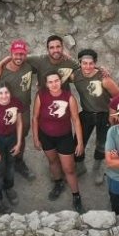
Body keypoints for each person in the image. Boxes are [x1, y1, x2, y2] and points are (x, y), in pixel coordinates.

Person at [0, 40, 37, 180]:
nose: (19, 57)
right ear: (11, 54)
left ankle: (18, 161)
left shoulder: (29, 65)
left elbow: (48, 57)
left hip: (23, 109)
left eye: (22, 54)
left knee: (21, 136)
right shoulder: (1, 72)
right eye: (16, 54)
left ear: (26, 55)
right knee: (0, 135)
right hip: (1, 110)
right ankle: (0, 161)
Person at [31, 72, 85, 212]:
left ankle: (76, 195)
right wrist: (36, 138)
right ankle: (58, 183)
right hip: (46, 136)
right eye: (50, 82)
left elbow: (76, 120)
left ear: (60, 82)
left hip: (64, 137)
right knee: (53, 161)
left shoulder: (69, 98)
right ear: (46, 84)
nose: (54, 84)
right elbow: (35, 118)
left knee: (69, 169)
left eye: (56, 81)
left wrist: (79, 142)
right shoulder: (41, 96)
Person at [72, 48, 119, 184]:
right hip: (86, 113)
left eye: (91, 63)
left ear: (95, 63)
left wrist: (112, 113)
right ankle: (80, 166)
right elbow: (60, 72)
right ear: (80, 63)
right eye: (84, 63)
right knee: (78, 141)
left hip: (103, 115)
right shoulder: (75, 76)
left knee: (102, 143)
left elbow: (118, 97)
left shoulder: (104, 79)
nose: (87, 66)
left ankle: (96, 168)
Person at [0, 34, 80, 90]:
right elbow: (19, 57)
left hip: (64, 98)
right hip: (43, 99)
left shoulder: (69, 61)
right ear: (47, 49)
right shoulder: (40, 59)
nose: (55, 50)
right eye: (52, 47)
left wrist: (70, 77)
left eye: (58, 47)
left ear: (62, 47)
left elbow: (84, 70)